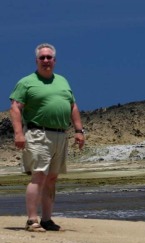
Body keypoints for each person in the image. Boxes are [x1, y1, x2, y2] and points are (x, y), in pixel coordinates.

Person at [9, 43, 85, 232]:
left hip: (60, 134)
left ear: (54, 60)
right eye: (42, 58)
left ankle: (47, 219)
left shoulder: (62, 81)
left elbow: (72, 106)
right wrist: (18, 133)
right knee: (39, 176)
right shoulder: (27, 82)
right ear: (36, 61)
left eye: (49, 57)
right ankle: (31, 220)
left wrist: (79, 130)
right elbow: (15, 108)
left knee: (52, 178)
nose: (46, 60)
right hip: (38, 133)